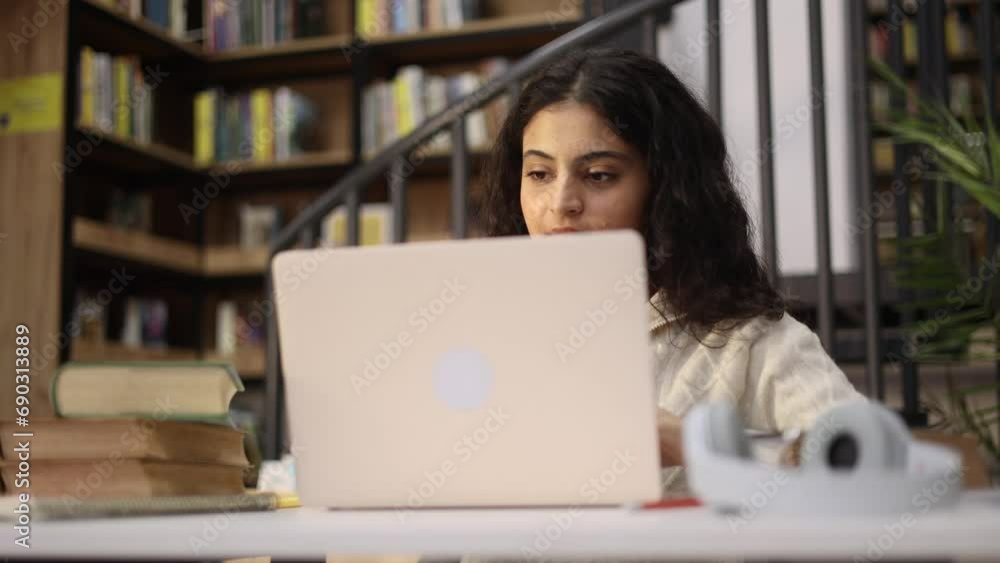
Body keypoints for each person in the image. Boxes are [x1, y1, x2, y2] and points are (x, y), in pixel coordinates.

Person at [478, 47, 866, 497]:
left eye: (600, 175)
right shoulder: (492, 332)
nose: (561, 202)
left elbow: (868, 474)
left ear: (665, 188)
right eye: (540, 173)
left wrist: (697, 446)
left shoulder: (754, 343)